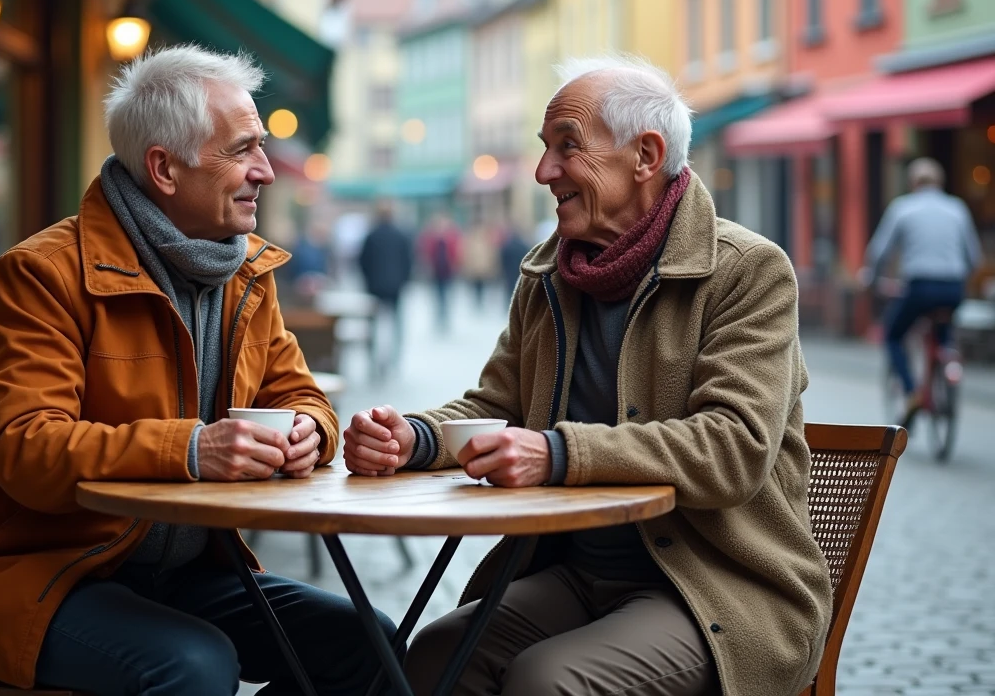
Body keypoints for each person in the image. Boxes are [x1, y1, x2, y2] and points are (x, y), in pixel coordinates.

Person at [345, 55, 833, 696]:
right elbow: (498, 404)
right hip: (575, 573)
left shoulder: (746, 271)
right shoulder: (548, 273)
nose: (545, 172)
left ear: (646, 155)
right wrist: (416, 438)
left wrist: (556, 452)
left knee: (547, 681)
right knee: (434, 657)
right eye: (544, 150)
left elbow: (732, 449)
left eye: (566, 148)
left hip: (716, 589)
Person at [0, 45, 397, 696]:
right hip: (37, 575)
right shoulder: (43, 273)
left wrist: (311, 430)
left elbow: (297, 391)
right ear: (165, 169)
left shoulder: (246, 272)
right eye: (243, 150)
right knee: (195, 665)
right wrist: (195, 448)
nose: (266, 170)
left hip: (186, 574)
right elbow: (25, 448)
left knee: (374, 646)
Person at [862, 157, 982, 416]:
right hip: (953, 288)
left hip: (920, 287)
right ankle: (947, 355)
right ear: (940, 182)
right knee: (943, 328)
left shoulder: (903, 208)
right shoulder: (957, 208)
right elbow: (974, 257)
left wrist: (872, 278)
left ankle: (911, 392)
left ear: (912, 183)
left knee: (893, 335)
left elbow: (879, 252)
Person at [358, 200, 414, 379]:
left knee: (374, 325)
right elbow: (409, 261)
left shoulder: (371, 235)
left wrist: (368, 281)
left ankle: (374, 359)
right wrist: (404, 280)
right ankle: (394, 359)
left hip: (375, 288)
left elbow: (362, 261)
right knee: (397, 325)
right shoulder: (401, 235)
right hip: (395, 287)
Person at [419, 212, 461, 330]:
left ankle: (445, 318)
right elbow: (426, 252)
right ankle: (439, 318)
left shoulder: (451, 237)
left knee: (446, 296)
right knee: (437, 296)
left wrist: (455, 265)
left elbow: (456, 253)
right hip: (436, 272)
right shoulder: (431, 238)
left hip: (448, 272)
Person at [461, 220, 500, 307]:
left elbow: (491, 253)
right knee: (476, 284)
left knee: (482, 284)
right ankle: (478, 300)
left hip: (482, 267)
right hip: (476, 267)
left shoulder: (485, 239)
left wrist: (491, 265)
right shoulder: (471, 240)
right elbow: (467, 254)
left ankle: (480, 300)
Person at [498, 222, 531, 303]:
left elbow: (503, 257)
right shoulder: (523, 245)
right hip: (519, 270)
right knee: (519, 287)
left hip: (509, 271)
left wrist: (503, 268)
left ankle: (509, 303)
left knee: (510, 288)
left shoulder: (507, 245)